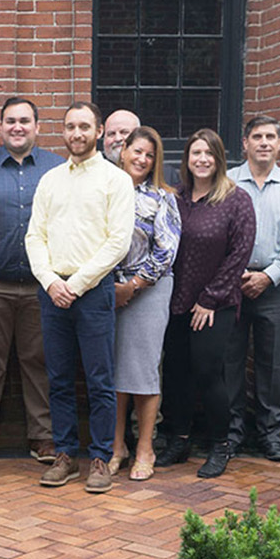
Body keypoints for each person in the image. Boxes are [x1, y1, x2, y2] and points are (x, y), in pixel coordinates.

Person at [26, 101, 135, 494]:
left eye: (84, 126)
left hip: (93, 292)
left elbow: (118, 242)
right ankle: (65, 454)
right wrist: (50, 280)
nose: (76, 134)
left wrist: (78, 284)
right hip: (53, 291)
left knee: (99, 379)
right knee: (57, 377)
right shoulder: (51, 179)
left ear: (100, 130)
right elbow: (34, 236)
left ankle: (101, 457)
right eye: (71, 127)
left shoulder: (115, 180)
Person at [157, 128, 256, 479]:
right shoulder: (176, 197)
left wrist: (210, 299)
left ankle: (220, 444)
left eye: (208, 153)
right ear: (186, 159)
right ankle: (178, 439)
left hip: (216, 304)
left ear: (219, 159)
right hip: (174, 302)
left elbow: (239, 254)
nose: (201, 159)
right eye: (195, 153)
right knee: (175, 373)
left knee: (208, 372)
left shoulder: (236, 199)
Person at [0, 98, 64, 464]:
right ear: (1, 126)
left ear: (38, 126)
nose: (18, 127)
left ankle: (42, 436)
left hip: (43, 283)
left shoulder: (58, 169)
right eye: (10, 121)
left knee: (38, 360)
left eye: (25, 121)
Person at [225, 115, 280, 462]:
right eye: (257, 136)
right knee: (229, 362)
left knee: (274, 365)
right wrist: (237, 273)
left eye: (270, 137)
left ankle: (270, 434)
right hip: (231, 285)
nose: (264, 142)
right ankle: (231, 434)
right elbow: (218, 232)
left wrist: (269, 275)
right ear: (245, 143)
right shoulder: (228, 182)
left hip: (275, 286)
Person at [111, 125, 181, 482]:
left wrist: (133, 285)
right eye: (136, 151)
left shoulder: (163, 196)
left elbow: (167, 250)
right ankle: (116, 445)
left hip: (148, 290)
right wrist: (112, 286)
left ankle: (144, 448)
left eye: (149, 155)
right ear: (122, 150)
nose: (141, 158)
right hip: (106, 289)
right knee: (113, 370)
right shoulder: (105, 188)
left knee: (142, 369)